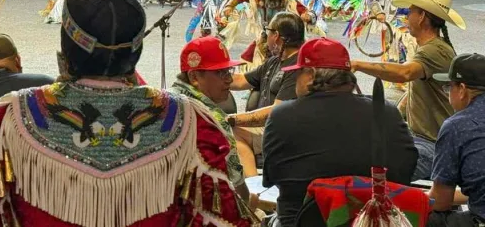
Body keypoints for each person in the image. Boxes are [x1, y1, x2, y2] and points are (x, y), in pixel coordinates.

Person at [0, 0, 256, 227]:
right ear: (135, 51)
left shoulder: (5, 120)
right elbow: (222, 217)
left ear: (66, 47)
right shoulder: (191, 122)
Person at [264, 38, 418, 227]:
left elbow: (273, 176)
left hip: (300, 222)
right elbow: (405, 172)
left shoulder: (281, 115)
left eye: (298, 73)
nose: (295, 80)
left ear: (311, 74)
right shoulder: (385, 111)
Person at [353, 0, 465, 180]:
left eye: (410, 12)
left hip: (431, 145)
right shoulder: (434, 48)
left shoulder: (433, 50)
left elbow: (404, 73)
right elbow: (414, 89)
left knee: (377, 176)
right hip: (427, 141)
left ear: (422, 17)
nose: (406, 18)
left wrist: (357, 64)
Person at [227, 12, 305, 177]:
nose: (265, 35)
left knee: (233, 131)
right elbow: (241, 80)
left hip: (284, 132)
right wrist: (212, 74)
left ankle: (253, 189)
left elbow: (277, 111)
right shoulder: (275, 61)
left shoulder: (297, 66)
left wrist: (231, 118)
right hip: (269, 127)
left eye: (267, 31)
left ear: (276, 36)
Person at [172, 36, 248, 198]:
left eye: (228, 71)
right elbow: (237, 188)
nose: (229, 79)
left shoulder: (162, 103)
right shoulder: (213, 121)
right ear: (194, 77)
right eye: (220, 72)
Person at [428, 53, 485, 227]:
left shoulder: (456, 126)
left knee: (426, 218)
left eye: (448, 88)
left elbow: (440, 202)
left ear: (462, 90)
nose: (448, 95)